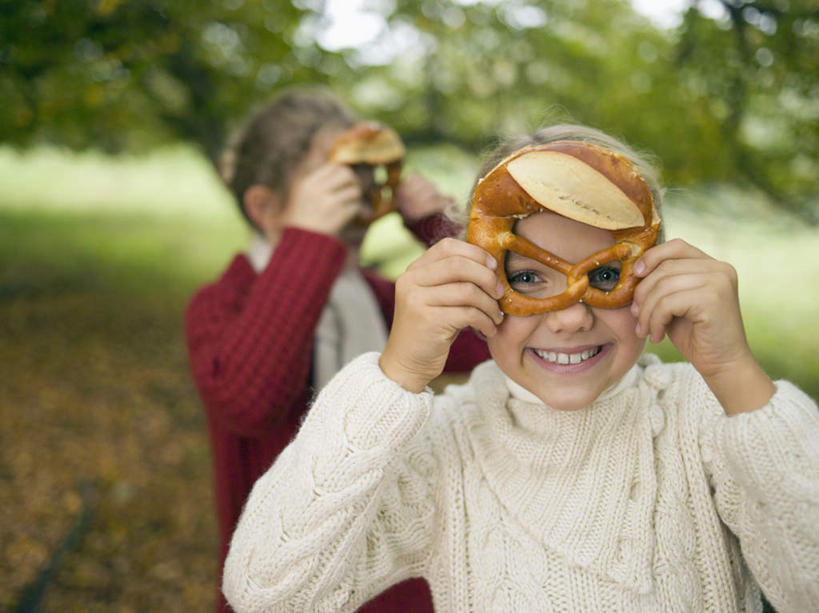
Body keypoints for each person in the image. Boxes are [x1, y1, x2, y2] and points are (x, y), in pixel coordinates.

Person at [221, 124, 819, 612]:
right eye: (528, 277)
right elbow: (268, 591)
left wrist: (736, 373)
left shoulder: (708, 420)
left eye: (605, 276)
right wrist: (396, 374)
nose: (569, 319)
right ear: (473, 282)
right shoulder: (444, 448)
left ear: (655, 273)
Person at [184, 89, 489, 613]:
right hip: (285, 577)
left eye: (366, 178)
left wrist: (437, 228)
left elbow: (495, 337)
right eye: (335, 182)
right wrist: (308, 239)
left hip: (392, 573)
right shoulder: (221, 304)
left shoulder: (373, 296)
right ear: (263, 206)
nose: (359, 196)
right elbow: (249, 401)